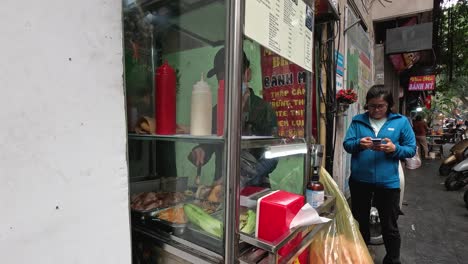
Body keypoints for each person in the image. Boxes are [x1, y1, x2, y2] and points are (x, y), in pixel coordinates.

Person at [343, 85, 416, 264]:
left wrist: (394, 148)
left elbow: (411, 149)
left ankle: (392, 259)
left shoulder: (400, 121)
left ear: (388, 105)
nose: (375, 110)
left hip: (388, 182)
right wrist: (359, 144)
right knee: (361, 222)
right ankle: (362, 257)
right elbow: (347, 144)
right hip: (360, 181)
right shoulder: (358, 121)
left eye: (380, 106)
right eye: (371, 106)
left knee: (389, 225)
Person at [188, 47, 278, 187]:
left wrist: (243, 176)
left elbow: (272, 156)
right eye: (222, 79)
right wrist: (201, 151)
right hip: (221, 187)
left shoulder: (263, 109)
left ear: (247, 74)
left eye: (232, 77)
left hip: (255, 188)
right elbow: (211, 145)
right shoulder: (216, 111)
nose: (227, 84)